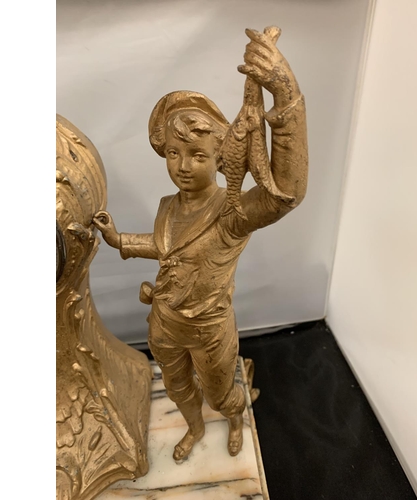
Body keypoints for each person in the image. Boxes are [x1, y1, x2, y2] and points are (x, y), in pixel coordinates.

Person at [93, 27, 308, 462]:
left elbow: (286, 193)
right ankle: (193, 427)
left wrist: (286, 96)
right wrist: (119, 240)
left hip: (210, 331)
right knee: (177, 389)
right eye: (174, 153)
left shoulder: (232, 211)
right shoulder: (168, 206)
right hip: (164, 323)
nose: (183, 166)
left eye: (197, 155)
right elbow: (165, 247)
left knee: (219, 393)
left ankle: (235, 417)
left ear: (219, 157)